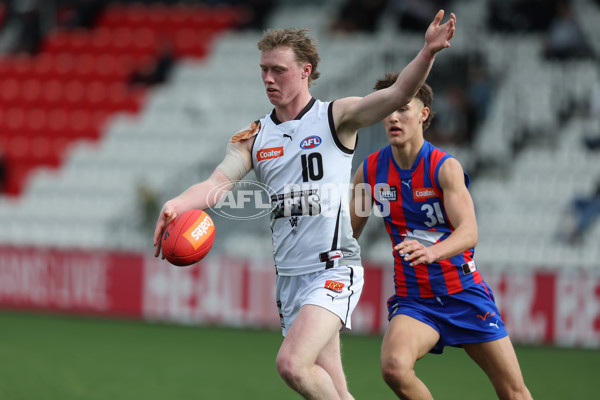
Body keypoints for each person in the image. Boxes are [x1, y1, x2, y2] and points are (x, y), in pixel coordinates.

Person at [153, 10, 456, 400]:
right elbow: (218, 183)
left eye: (278, 70)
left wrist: (428, 51)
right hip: (291, 279)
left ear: (305, 71)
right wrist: (175, 202)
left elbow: (397, 95)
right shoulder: (255, 136)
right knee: (333, 390)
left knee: (292, 364)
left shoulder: (337, 117)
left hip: (334, 268)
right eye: (263, 69)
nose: (267, 78)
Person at [349, 76, 532, 399]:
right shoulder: (370, 170)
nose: (393, 117)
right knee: (394, 369)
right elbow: (349, 233)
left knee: (513, 392)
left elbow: (469, 232)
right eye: (388, 109)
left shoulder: (444, 167)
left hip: (463, 293)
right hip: (415, 300)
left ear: (424, 113)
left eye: (403, 108)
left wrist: (433, 252)